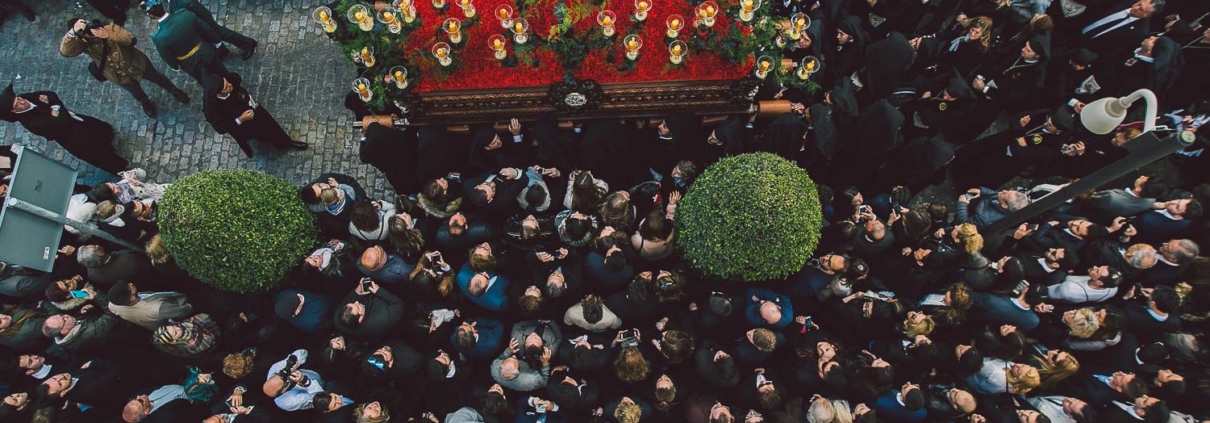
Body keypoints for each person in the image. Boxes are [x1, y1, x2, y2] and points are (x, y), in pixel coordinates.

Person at [60, 17, 190, 118]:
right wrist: (72, 33)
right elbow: (65, 52)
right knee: (135, 91)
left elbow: (131, 39)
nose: (88, 33)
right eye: (83, 33)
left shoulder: (108, 28)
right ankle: (145, 101)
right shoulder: (83, 44)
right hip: (117, 75)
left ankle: (173, 90)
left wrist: (108, 35)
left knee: (157, 77)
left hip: (136, 63)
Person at [0, 84, 129, 174]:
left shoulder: (26, 97)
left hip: (76, 122)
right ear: (14, 111)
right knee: (97, 152)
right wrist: (53, 107)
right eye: (17, 104)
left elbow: (50, 95)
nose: (22, 102)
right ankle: (120, 167)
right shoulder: (31, 122)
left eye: (19, 99)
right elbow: (62, 121)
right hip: (72, 137)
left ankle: (108, 139)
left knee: (98, 130)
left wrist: (54, 108)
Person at [201, 72, 307, 158]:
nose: (229, 85)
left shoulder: (229, 82)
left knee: (272, 127)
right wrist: (241, 119)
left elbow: (236, 79)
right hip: (242, 125)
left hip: (255, 110)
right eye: (225, 87)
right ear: (218, 94)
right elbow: (221, 128)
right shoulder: (215, 109)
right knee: (258, 134)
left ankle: (285, 143)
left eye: (227, 82)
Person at [142, 0, 227, 83]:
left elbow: (167, 55)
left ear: (151, 16)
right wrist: (217, 42)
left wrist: (175, 66)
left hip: (190, 63)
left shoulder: (158, 37)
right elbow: (206, 28)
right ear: (162, 7)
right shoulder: (184, 14)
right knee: (224, 72)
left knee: (208, 83)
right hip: (205, 50)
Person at [165, 0, 257, 59]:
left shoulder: (184, 2)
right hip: (196, 20)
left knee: (219, 32)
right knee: (212, 35)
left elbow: (199, 12)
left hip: (200, 18)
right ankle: (222, 51)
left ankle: (247, 43)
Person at [106, 281, 193, 330]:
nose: (131, 284)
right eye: (130, 288)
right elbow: (184, 311)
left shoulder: (113, 305)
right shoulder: (157, 308)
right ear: (132, 298)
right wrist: (192, 303)